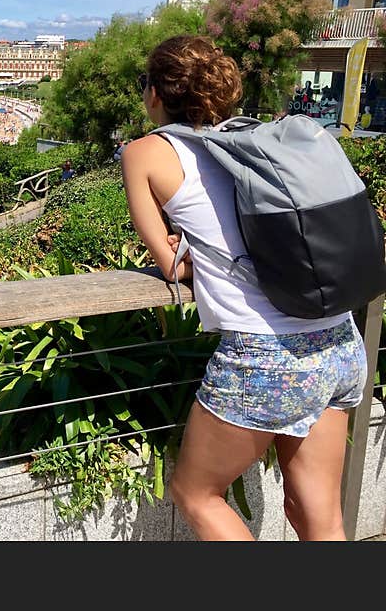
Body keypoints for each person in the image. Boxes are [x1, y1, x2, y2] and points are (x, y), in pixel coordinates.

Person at [121, 35, 367, 541]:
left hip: (265, 357)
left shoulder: (145, 152)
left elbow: (169, 265)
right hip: (339, 342)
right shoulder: (259, 138)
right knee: (318, 517)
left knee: (196, 494)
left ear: (156, 94)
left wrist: (185, 251)